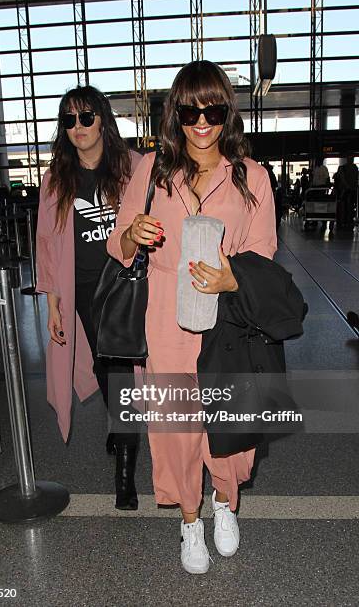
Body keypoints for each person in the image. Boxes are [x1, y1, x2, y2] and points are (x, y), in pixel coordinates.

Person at [107, 60, 277, 574]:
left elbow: (263, 254)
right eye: (189, 110)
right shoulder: (152, 172)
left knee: (229, 427)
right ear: (174, 113)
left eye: (214, 108)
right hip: (167, 322)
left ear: (228, 111)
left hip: (229, 325)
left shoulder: (252, 178)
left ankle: (226, 504)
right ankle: (189, 520)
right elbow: (119, 240)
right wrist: (133, 235)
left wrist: (233, 279)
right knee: (178, 430)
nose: (202, 121)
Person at [36, 85, 142, 510]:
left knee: (119, 373)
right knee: (104, 367)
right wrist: (53, 305)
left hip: (125, 286)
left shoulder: (133, 167)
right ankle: (121, 423)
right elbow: (45, 243)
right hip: (82, 292)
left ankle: (125, 479)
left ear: (102, 120)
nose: (77, 127)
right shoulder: (56, 179)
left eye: (85, 117)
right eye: (68, 120)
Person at [334, 156, 358, 230]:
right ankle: (346, 220)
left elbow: (342, 178)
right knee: (347, 206)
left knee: (347, 206)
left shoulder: (345, 168)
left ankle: (345, 220)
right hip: (347, 190)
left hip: (346, 190)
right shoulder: (353, 168)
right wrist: (349, 186)